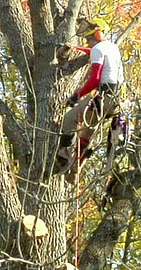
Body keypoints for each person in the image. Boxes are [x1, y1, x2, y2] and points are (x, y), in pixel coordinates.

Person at [52, 18, 124, 179]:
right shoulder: (112, 47)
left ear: (98, 35)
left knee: (69, 119)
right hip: (117, 100)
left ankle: (62, 157)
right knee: (85, 136)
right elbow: (93, 52)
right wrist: (75, 48)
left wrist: (76, 96)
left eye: (89, 38)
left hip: (104, 97)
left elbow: (95, 79)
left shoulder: (98, 48)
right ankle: (75, 171)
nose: (88, 42)